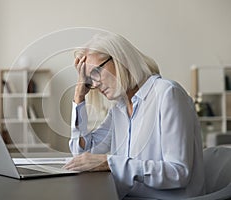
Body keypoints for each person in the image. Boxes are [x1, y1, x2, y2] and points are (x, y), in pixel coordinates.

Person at [63, 32, 205, 199]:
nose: (94, 84)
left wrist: (110, 163)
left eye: (95, 73)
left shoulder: (167, 94)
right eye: (89, 80)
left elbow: (178, 173)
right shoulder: (119, 108)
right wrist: (79, 96)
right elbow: (82, 155)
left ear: (120, 59)